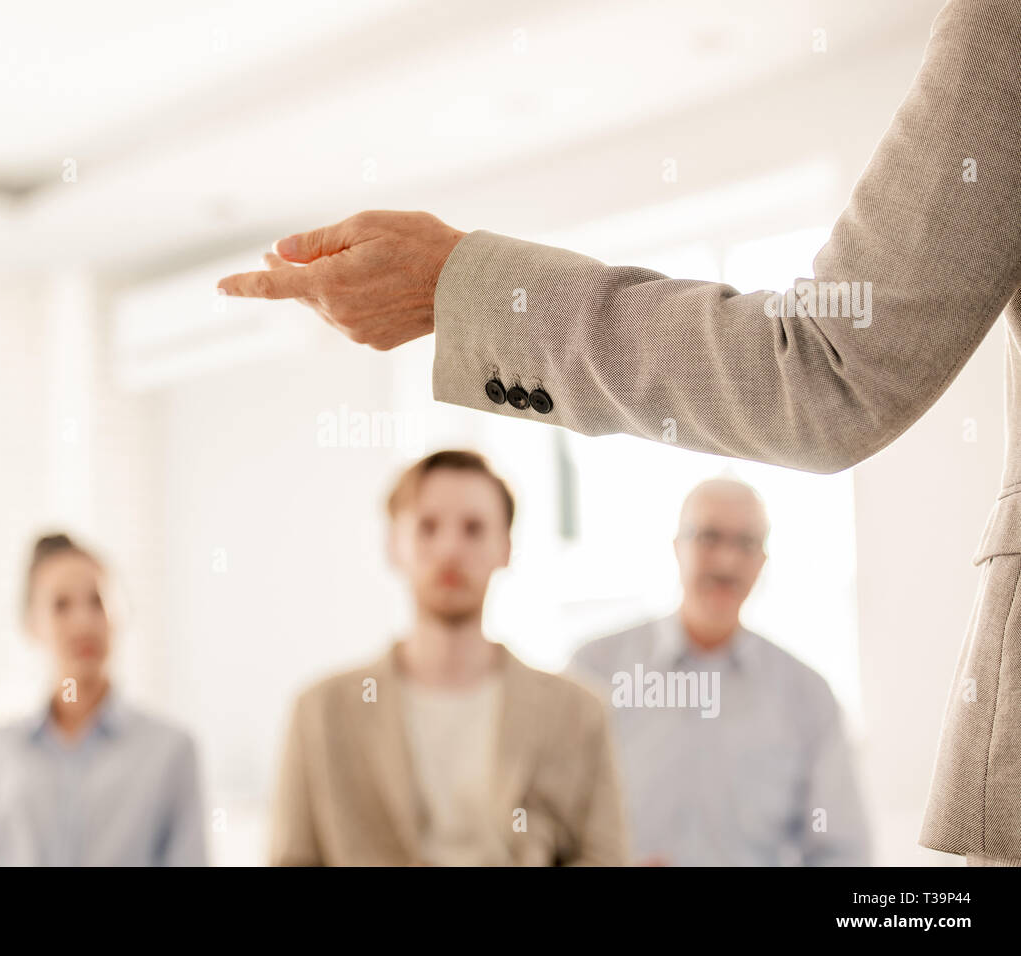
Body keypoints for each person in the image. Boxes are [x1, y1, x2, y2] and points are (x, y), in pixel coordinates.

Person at [218, 0, 1021, 865]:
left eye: (741, 540)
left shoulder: (761, 698)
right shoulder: (576, 676)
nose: (720, 557)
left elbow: (823, 367)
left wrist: (457, 287)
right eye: (707, 534)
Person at [270, 450, 626, 866]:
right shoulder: (321, 713)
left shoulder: (578, 713)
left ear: (505, 548)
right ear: (394, 546)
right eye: (427, 527)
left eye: (474, 529)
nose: (450, 549)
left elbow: (606, 859)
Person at [567, 478, 870, 866]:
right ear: (677, 548)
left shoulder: (809, 696)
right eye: (709, 537)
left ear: (762, 561)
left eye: (746, 543)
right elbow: (548, 820)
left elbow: (842, 852)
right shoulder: (593, 670)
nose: (727, 562)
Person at [0, 534, 207, 866]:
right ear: (32, 623)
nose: (83, 622)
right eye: (61, 605)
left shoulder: (171, 752)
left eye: (97, 602)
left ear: (118, 615)